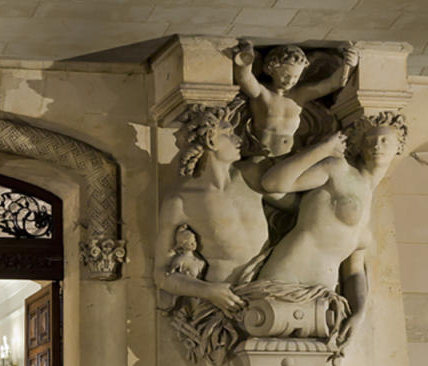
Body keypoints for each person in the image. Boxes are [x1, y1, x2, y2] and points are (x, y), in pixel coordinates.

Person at [256, 112, 407, 345]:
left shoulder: (369, 198)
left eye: (385, 140)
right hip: (287, 277)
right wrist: (324, 149)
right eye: (370, 140)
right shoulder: (338, 170)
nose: (377, 145)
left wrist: (359, 312)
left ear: (399, 146)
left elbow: (354, 271)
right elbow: (272, 183)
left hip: (324, 295)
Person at [154, 104, 270, 313]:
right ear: (210, 140)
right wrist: (208, 292)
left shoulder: (251, 177)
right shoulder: (181, 200)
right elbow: (162, 274)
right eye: (228, 134)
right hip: (227, 301)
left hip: (271, 286)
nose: (238, 140)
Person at [234, 42, 358, 158]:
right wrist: (246, 56)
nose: (290, 81)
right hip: (260, 154)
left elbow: (333, 84)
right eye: (285, 75)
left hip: (289, 155)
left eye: (296, 76)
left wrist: (349, 64)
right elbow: (244, 78)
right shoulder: (263, 93)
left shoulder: (300, 95)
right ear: (270, 69)